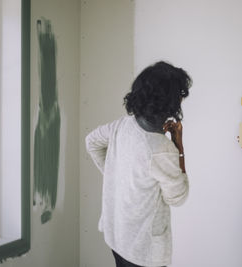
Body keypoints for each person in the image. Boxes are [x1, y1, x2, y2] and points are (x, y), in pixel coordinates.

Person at [85, 61, 192, 267]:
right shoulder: (161, 148)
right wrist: (179, 146)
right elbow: (178, 197)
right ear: (167, 99)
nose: (181, 98)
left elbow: (91, 142)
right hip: (143, 252)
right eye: (179, 93)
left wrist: (114, 175)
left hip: (117, 237)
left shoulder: (122, 125)